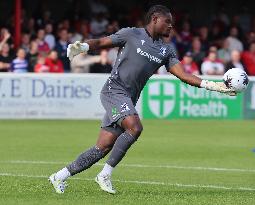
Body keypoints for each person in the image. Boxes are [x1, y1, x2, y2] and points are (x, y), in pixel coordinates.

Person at [49, 5, 235, 195]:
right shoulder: (131, 34)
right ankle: (105, 174)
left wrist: (217, 86)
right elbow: (102, 42)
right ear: (155, 19)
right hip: (114, 91)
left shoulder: (166, 50)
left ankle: (59, 176)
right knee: (135, 127)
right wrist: (83, 46)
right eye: (167, 22)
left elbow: (185, 75)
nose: (171, 26)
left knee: (102, 147)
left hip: (128, 98)